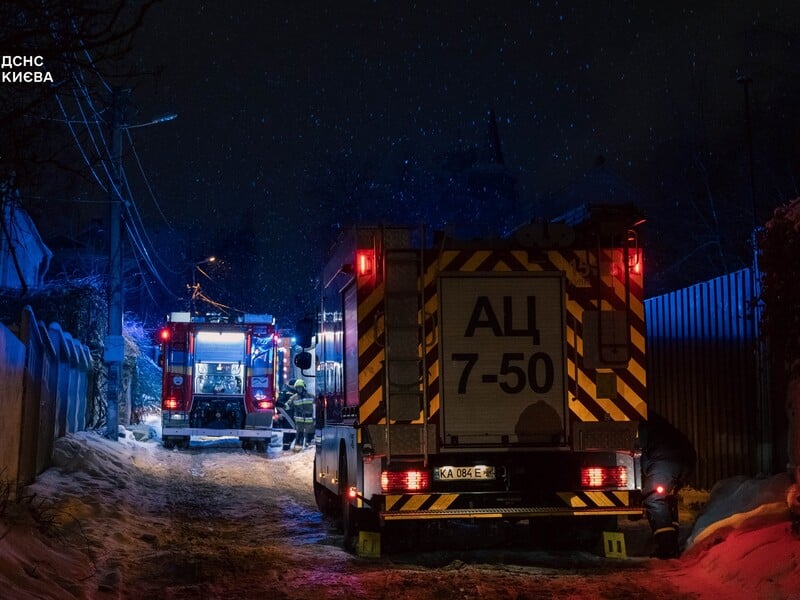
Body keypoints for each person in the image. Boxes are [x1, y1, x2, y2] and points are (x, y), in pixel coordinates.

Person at [639, 410, 697, 559]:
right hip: (685, 458)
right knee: (666, 497)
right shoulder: (651, 418)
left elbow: (637, 449)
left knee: (654, 499)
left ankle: (668, 549)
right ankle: (672, 540)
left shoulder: (638, 420)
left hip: (665, 460)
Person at [286, 379, 314, 451]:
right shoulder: (293, 398)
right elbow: (287, 405)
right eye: (297, 388)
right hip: (299, 422)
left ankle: (309, 449)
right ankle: (297, 451)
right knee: (299, 438)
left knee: (310, 438)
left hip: (310, 421)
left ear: (303, 388)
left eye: (300, 388)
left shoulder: (311, 396)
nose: (299, 389)